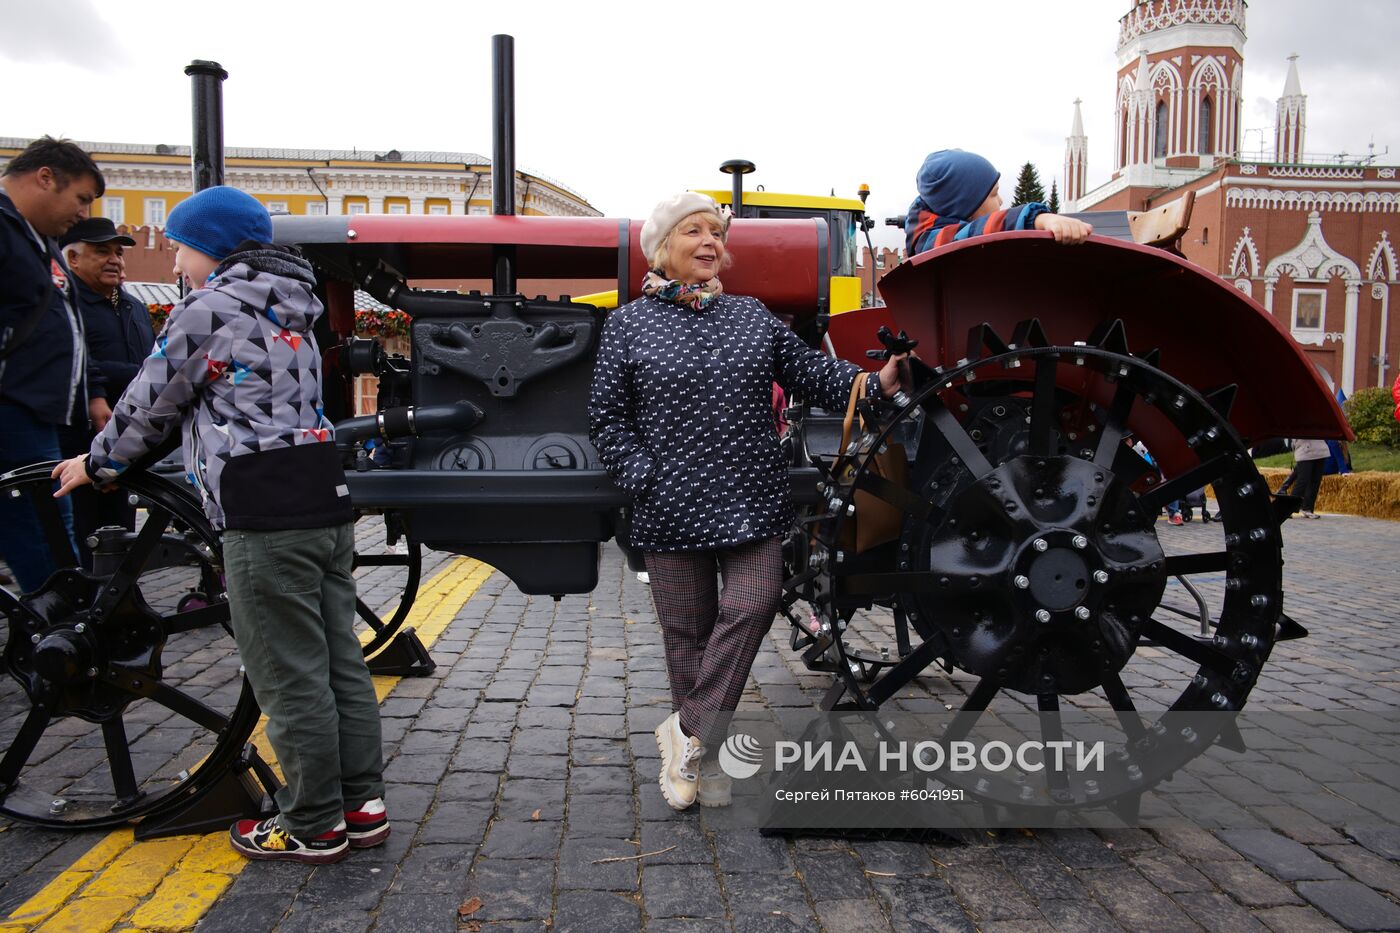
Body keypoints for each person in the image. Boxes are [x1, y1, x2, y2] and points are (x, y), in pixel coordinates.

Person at [52, 186, 385, 864]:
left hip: (261, 508)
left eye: (181, 245)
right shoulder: (296, 304)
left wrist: (98, 462)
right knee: (338, 662)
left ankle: (314, 822)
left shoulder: (210, 308)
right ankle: (361, 802)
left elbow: (153, 402)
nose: (174, 259)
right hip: (323, 495)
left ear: (213, 247)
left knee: (287, 674)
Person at [589, 192, 909, 811]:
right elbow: (607, 419)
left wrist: (872, 382)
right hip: (669, 503)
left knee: (755, 603)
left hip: (751, 496)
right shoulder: (628, 325)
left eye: (716, 233)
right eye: (693, 231)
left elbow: (813, 373)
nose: (710, 242)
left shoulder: (750, 317)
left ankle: (685, 733)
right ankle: (697, 765)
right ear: (662, 248)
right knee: (688, 632)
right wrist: (642, 475)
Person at [0, 137, 104, 593]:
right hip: (14, 408)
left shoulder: (37, 239)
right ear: (45, 177)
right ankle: (59, 632)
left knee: (48, 526)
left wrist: (91, 391)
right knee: (42, 532)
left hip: (38, 409)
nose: (83, 213)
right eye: (80, 198)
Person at [57, 217, 152, 566]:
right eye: (102, 252)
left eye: (118, 252)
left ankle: (116, 597)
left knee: (119, 527)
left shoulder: (134, 307)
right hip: (78, 433)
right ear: (73, 259)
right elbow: (77, 364)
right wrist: (143, 375)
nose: (115, 259)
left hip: (125, 434)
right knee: (81, 527)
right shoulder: (66, 307)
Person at [905, 149, 1092, 256]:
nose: (1001, 201)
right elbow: (973, 233)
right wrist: (1037, 219)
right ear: (966, 207)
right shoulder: (932, 241)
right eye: (994, 194)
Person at [1288, 437, 1329, 519]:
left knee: (1315, 481)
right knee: (1302, 481)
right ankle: (1289, 509)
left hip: (1320, 450)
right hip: (1304, 451)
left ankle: (1307, 508)